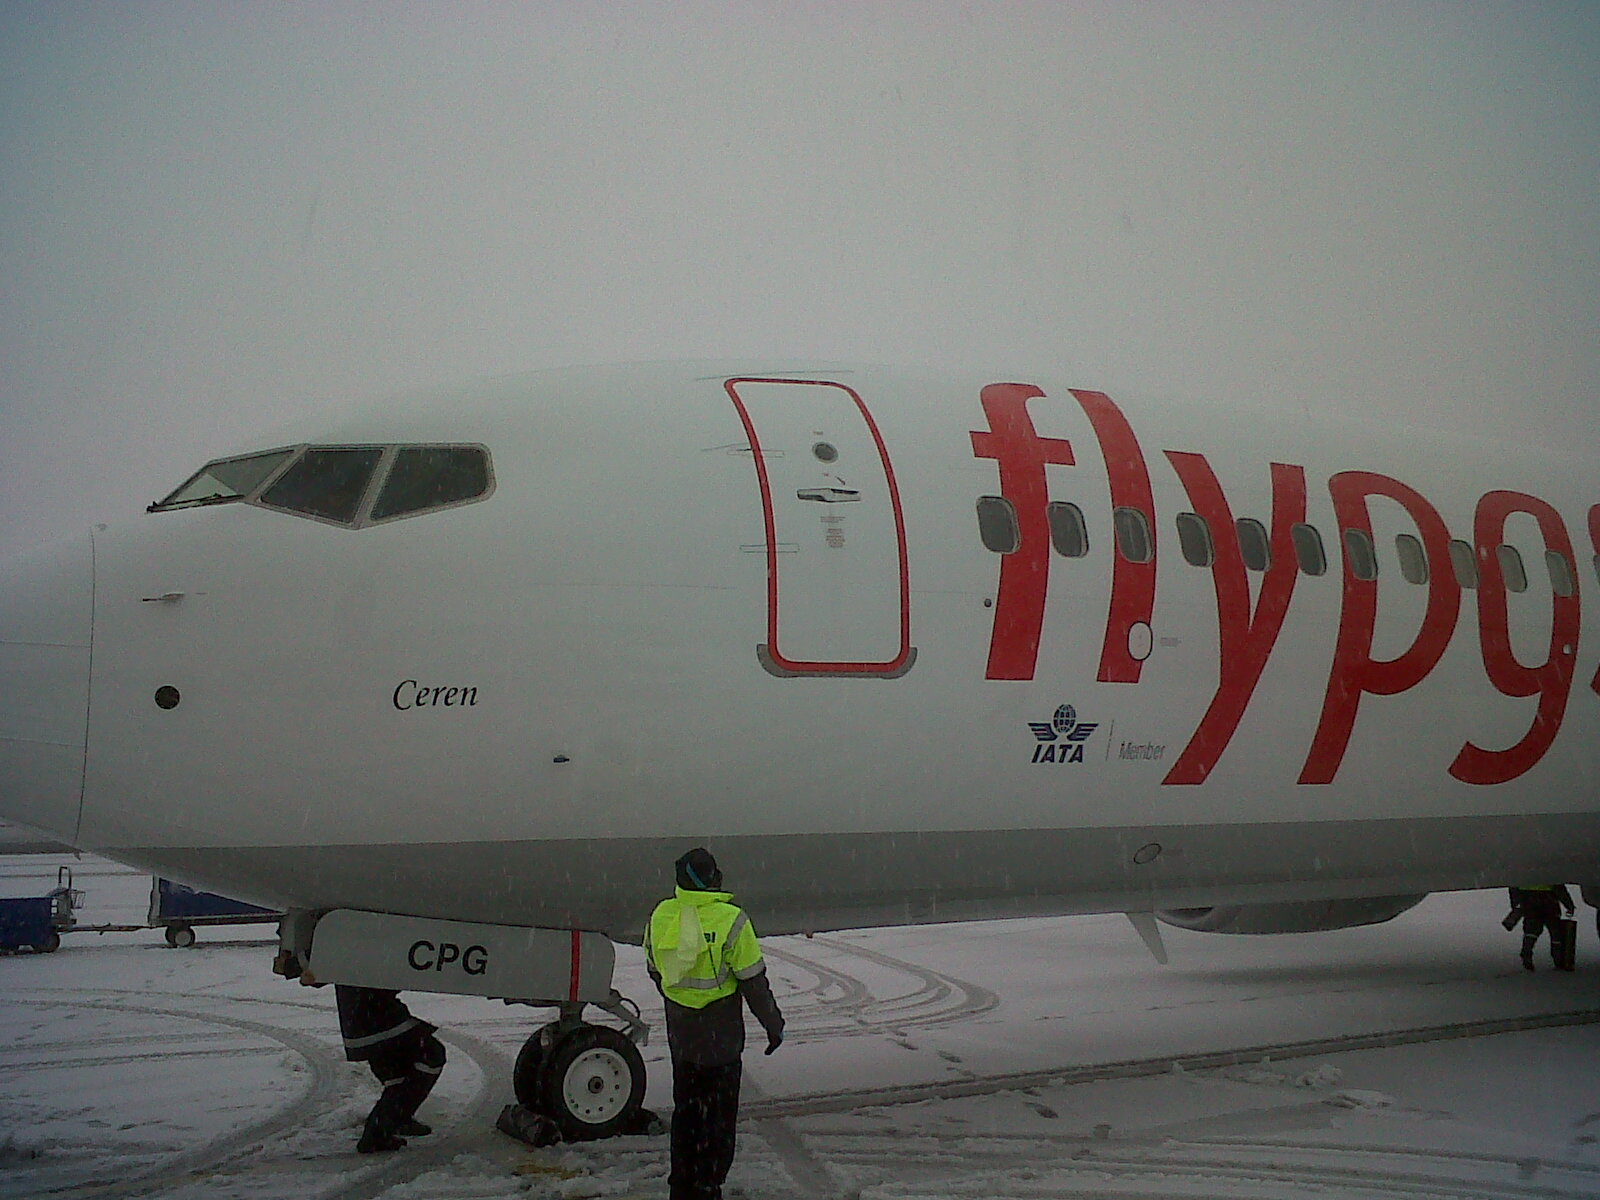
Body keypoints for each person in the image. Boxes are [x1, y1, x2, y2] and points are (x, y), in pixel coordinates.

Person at [645, 848, 784, 1200]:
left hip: (683, 1040)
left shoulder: (661, 915)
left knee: (687, 1116)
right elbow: (754, 982)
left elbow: (654, 969)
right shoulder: (731, 920)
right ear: (710, 879)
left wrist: (681, 1004)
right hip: (720, 1043)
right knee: (718, 1122)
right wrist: (773, 1024)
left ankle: (681, 1185)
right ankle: (708, 1186)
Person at [334, 984, 447, 1153]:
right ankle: (380, 1132)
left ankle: (394, 1120)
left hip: (365, 1015)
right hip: (377, 1017)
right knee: (431, 1055)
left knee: (397, 1069)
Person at [1508, 885, 1576, 972]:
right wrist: (1569, 905)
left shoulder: (1523, 874)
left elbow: (1514, 887)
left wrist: (1517, 905)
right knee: (1556, 934)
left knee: (1531, 932)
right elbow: (1559, 889)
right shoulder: (1549, 874)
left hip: (1530, 903)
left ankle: (1526, 954)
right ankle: (1559, 960)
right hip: (1550, 903)